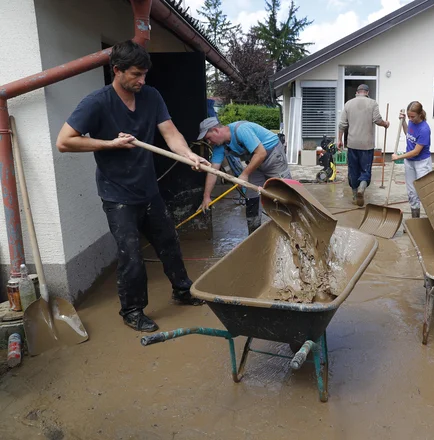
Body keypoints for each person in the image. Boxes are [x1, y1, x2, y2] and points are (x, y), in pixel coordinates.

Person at [56, 40, 209, 332]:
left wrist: (189, 155)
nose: (142, 80)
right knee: (131, 254)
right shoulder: (96, 102)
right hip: (118, 195)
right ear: (117, 71)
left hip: (147, 188)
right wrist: (110, 144)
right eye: (136, 75)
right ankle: (132, 310)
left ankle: (182, 290)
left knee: (169, 243)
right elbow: (64, 141)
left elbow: (170, 132)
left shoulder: (151, 96)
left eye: (144, 75)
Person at [197, 118, 291, 234]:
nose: (209, 142)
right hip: (254, 160)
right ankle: (254, 233)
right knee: (251, 195)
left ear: (216, 130)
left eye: (208, 138)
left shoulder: (241, 130)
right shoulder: (219, 147)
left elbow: (261, 153)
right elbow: (212, 171)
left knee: (284, 193)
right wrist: (206, 196)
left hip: (272, 155)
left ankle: (290, 228)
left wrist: (244, 174)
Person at [337, 84, 390, 206]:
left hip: (352, 144)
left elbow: (342, 125)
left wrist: (339, 140)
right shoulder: (373, 103)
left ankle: (356, 195)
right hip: (367, 146)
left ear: (357, 92)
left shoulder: (348, 104)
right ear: (367, 92)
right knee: (365, 170)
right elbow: (377, 119)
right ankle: (362, 187)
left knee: (353, 171)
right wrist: (385, 124)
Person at [392, 101, 432, 218]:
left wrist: (398, 157)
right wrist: (403, 121)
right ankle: (415, 220)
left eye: (412, 116)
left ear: (420, 114)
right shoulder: (411, 121)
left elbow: (416, 151)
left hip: (422, 163)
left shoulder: (424, 129)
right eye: (409, 116)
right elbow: (408, 133)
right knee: (412, 193)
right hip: (409, 162)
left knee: (424, 192)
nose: (411, 118)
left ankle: (433, 219)